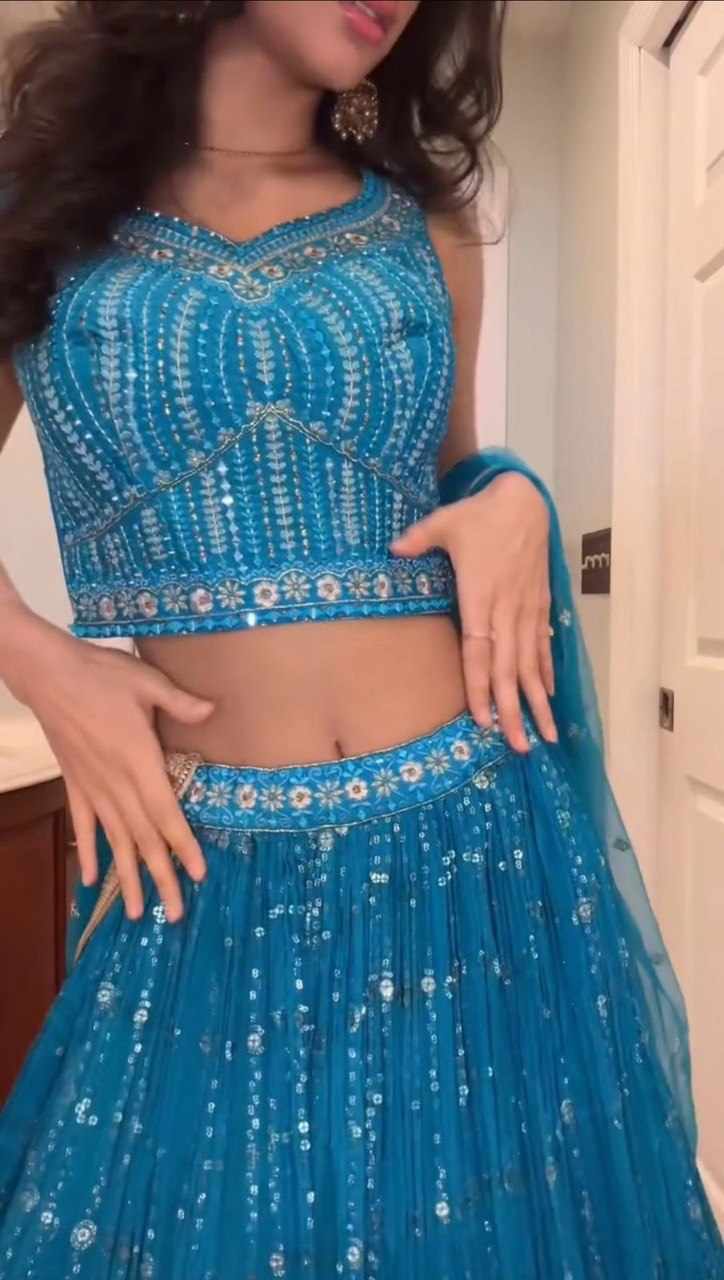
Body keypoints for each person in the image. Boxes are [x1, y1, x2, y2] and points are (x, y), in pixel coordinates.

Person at [0, 1, 721, 1276]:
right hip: (196, 863)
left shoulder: (425, 226)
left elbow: (451, 477)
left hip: (470, 844)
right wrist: (45, 664)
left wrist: (513, 500)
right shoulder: (43, 212)